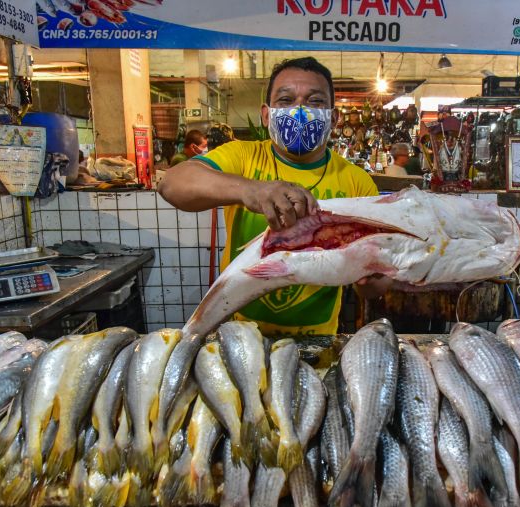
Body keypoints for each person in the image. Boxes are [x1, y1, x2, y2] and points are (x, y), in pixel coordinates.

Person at [158, 57, 386, 336]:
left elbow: (373, 289)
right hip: (240, 336)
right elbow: (172, 184)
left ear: (334, 117)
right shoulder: (243, 157)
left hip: (318, 341)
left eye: (315, 102)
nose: (299, 110)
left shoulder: (357, 182)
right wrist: (250, 190)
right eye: (286, 100)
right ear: (266, 115)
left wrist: (378, 274)